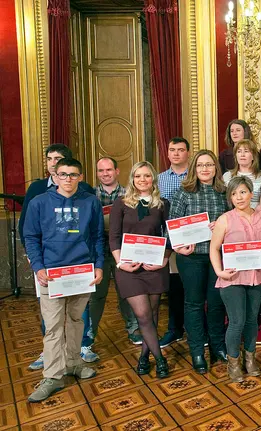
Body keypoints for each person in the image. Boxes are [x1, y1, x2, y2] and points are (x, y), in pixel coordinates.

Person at [24, 158, 103, 402]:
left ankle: (73, 362)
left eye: (73, 174)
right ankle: (53, 376)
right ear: (55, 176)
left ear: (81, 177)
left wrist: (99, 266)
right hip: (52, 274)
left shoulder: (91, 202)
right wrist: (38, 267)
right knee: (53, 326)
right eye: (63, 174)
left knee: (76, 320)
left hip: (81, 272)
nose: (68, 179)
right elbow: (31, 237)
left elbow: (97, 236)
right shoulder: (39, 202)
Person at [109, 162, 172, 378]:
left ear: (153, 179)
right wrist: (120, 263)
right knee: (143, 315)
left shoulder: (162, 204)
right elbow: (114, 237)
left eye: (146, 176)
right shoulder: (121, 204)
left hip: (154, 267)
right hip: (128, 268)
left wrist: (164, 260)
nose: (142, 180)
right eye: (138, 176)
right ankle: (160, 359)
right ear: (132, 179)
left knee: (152, 316)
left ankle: (144, 356)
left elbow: (170, 235)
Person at [169, 150, 228, 374]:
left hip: (217, 257)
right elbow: (171, 226)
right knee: (193, 303)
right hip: (190, 258)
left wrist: (221, 226)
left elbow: (234, 222)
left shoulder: (224, 192)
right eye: (201, 165)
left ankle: (217, 345)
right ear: (194, 168)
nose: (205, 169)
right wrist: (178, 246)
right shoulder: (183, 192)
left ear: (216, 168)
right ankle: (197, 351)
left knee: (216, 303)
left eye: (209, 165)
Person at [210, 176, 261, 382]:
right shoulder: (225, 219)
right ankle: (233, 362)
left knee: (251, 320)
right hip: (232, 278)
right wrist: (219, 271)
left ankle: (250, 358)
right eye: (234, 194)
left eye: (243, 192)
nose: (239, 197)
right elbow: (214, 248)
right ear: (230, 197)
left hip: (256, 277)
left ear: (251, 194)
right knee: (237, 321)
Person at [92, 157, 141, 347]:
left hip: (125, 250)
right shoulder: (90, 195)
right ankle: (89, 333)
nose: (105, 174)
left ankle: (133, 328)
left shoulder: (130, 194)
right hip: (98, 251)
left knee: (127, 292)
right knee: (96, 295)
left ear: (117, 171)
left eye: (109, 170)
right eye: (101, 170)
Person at [157, 137, 190, 349]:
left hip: (192, 238)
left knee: (193, 287)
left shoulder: (195, 176)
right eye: (172, 150)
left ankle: (196, 328)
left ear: (188, 152)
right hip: (168, 240)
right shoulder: (159, 179)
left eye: (180, 150)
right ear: (167, 153)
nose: (176, 153)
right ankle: (175, 328)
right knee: (174, 287)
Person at [222, 139, 261, 211]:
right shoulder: (227, 176)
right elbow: (225, 202)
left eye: (246, 151)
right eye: (239, 151)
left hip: (256, 215)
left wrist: (250, 215)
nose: (242, 155)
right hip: (232, 215)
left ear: (253, 156)